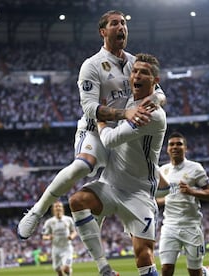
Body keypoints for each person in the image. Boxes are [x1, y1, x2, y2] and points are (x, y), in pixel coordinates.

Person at [18, 10, 166, 239]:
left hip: (122, 134)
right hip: (95, 130)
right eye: (115, 23)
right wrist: (125, 112)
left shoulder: (135, 63)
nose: (122, 27)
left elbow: (159, 93)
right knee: (82, 167)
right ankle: (38, 210)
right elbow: (89, 108)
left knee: (145, 179)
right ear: (103, 32)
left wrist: (154, 100)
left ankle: (112, 216)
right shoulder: (92, 66)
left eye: (124, 23)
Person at [69, 53, 166, 276]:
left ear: (155, 80)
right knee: (77, 200)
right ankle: (104, 268)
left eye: (144, 72)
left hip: (139, 191)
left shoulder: (152, 114)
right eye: (135, 71)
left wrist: (100, 120)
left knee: (143, 257)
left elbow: (111, 139)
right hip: (111, 183)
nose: (137, 75)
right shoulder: (129, 101)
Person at [156, 132, 209, 276]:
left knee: (194, 272)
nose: (175, 147)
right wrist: (156, 202)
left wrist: (192, 191)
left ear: (185, 148)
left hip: (191, 225)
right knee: (166, 269)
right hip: (169, 225)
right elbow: (159, 199)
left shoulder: (195, 168)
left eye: (179, 144)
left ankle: (206, 272)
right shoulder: (162, 170)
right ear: (167, 149)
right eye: (171, 144)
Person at [42, 201, 78, 276]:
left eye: (60, 206)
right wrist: (49, 237)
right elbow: (44, 236)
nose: (58, 208)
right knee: (58, 270)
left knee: (66, 267)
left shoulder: (69, 219)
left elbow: (74, 232)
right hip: (56, 249)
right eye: (56, 206)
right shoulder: (49, 222)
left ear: (62, 208)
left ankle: (68, 272)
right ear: (53, 209)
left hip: (67, 248)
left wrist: (71, 236)